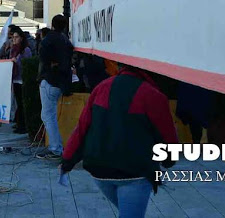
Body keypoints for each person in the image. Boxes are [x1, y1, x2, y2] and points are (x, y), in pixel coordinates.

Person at [60, 64, 178, 217]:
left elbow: (82, 128)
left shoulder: (101, 88)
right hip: (135, 174)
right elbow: (167, 136)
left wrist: (67, 161)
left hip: (100, 171)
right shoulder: (153, 95)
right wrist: (169, 160)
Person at [36, 15, 73, 160]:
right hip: (60, 82)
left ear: (52, 24)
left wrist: (49, 68)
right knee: (49, 115)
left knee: (48, 116)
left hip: (50, 81)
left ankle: (56, 148)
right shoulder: (66, 41)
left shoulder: (48, 40)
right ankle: (56, 146)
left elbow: (43, 59)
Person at [10, 27, 32, 134]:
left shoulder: (25, 50)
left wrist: (16, 61)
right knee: (17, 102)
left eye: (16, 37)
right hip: (15, 79)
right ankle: (19, 123)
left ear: (21, 38)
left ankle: (23, 125)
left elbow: (26, 64)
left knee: (21, 103)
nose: (14, 39)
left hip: (22, 79)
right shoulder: (13, 49)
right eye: (13, 37)